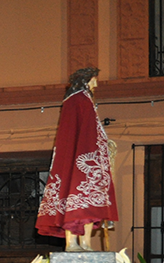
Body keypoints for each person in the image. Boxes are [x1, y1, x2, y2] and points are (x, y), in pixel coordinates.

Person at [35, 66, 119, 252]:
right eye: (94, 79)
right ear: (86, 79)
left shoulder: (86, 100)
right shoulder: (77, 100)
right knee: (72, 203)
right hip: (79, 159)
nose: (96, 83)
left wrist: (102, 147)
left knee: (90, 208)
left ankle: (86, 244)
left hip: (89, 159)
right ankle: (71, 243)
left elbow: (93, 131)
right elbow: (77, 133)